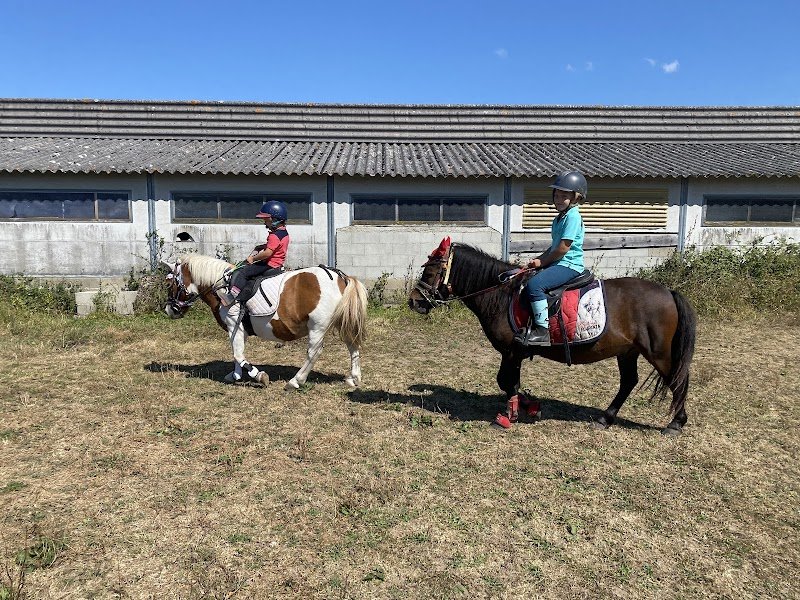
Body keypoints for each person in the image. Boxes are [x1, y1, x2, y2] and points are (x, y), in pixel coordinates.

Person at [514, 170, 587, 346]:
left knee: (535, 285)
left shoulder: (573, 216)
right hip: (559, 262)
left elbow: (562, 248)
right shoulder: (559, 218)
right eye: (557, 195)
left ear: (576, 198)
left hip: (569, 264)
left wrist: (542, 262)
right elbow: (554, 246)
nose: (559, 199)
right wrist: (537, 260)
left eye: (564, 196)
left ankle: (542, 332)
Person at [228, 200, 290, 306]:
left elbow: (267, 253)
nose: (264, 222)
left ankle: (233, 298)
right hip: (278, 263)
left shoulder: (274, 236)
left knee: (243, 272)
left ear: (275, 219)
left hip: (269, 264)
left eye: (266, 220)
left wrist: (253, 258)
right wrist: (262, 246)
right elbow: (277, 247)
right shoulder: (283, 233)